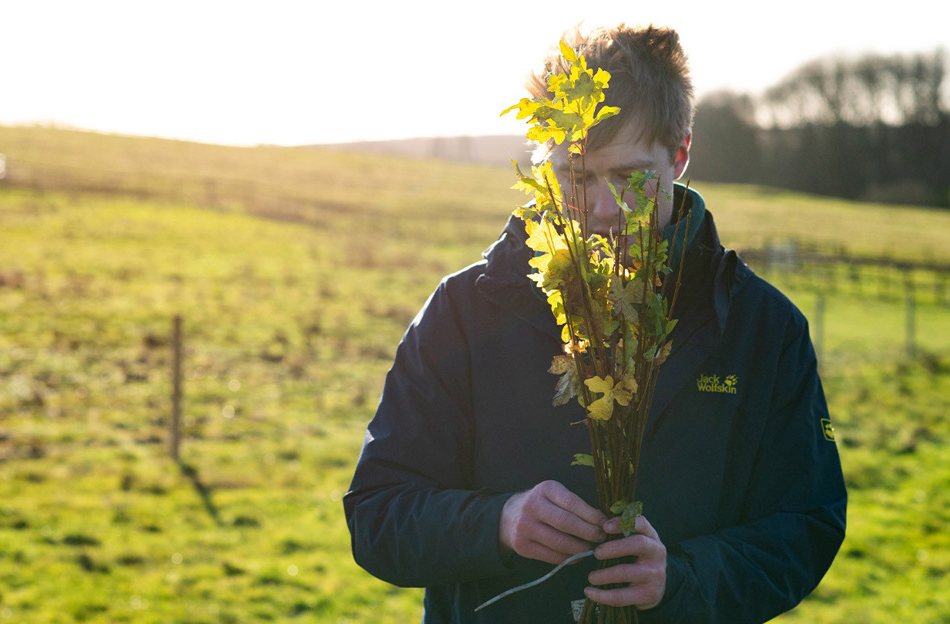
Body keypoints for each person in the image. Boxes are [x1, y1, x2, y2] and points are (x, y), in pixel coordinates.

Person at [344, 23, 846, 624]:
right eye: (577, 178)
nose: (604, 210)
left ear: (681, 154)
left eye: (631, 178)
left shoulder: (762, 328)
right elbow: (377, 514)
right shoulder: (464, 311)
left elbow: (805, 527)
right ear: (544, 162)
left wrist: (683, 578)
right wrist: (496, 522)